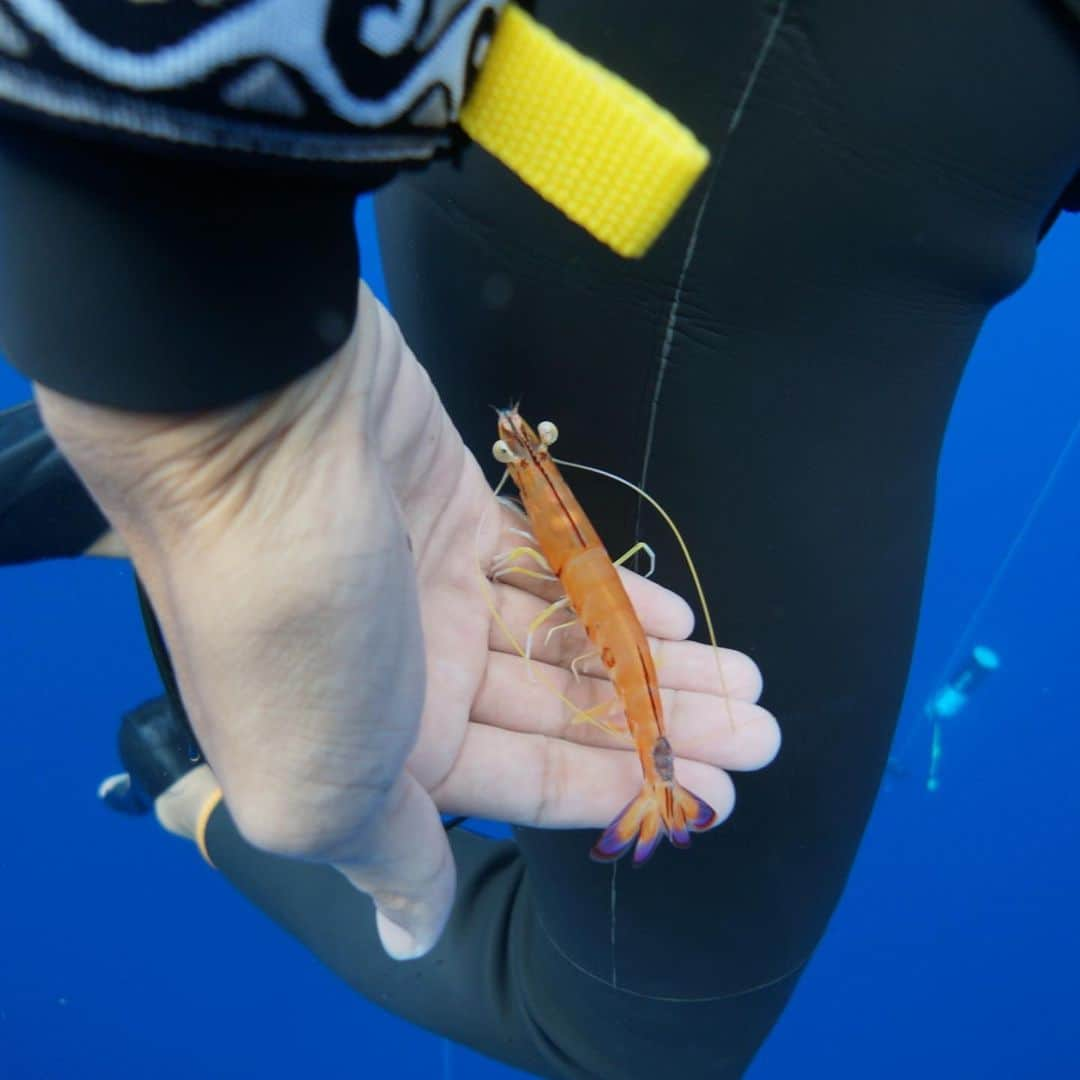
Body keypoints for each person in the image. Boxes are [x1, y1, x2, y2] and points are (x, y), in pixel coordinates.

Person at [0, 2, 1078, 1077]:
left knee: (422, 560)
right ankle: (188, 759)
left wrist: (168, 347)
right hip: (750, 130)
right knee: (617, 1038)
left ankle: (156, 455)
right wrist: (208, 447)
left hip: (562, 83)